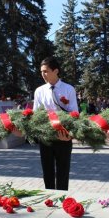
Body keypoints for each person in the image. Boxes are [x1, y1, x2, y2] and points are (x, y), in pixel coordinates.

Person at [33, 57, 78, 191]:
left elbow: (74, 113)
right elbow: (36, 114)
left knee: (63, 171)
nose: (43, 74)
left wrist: (69, 135)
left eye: (46, 71)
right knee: (47, 171)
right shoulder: (39, 91)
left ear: (56, 71)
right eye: (41, 71)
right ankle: (49, 198)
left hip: (63, 136)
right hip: (46, 137)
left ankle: (63, 198)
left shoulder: (68, 89)